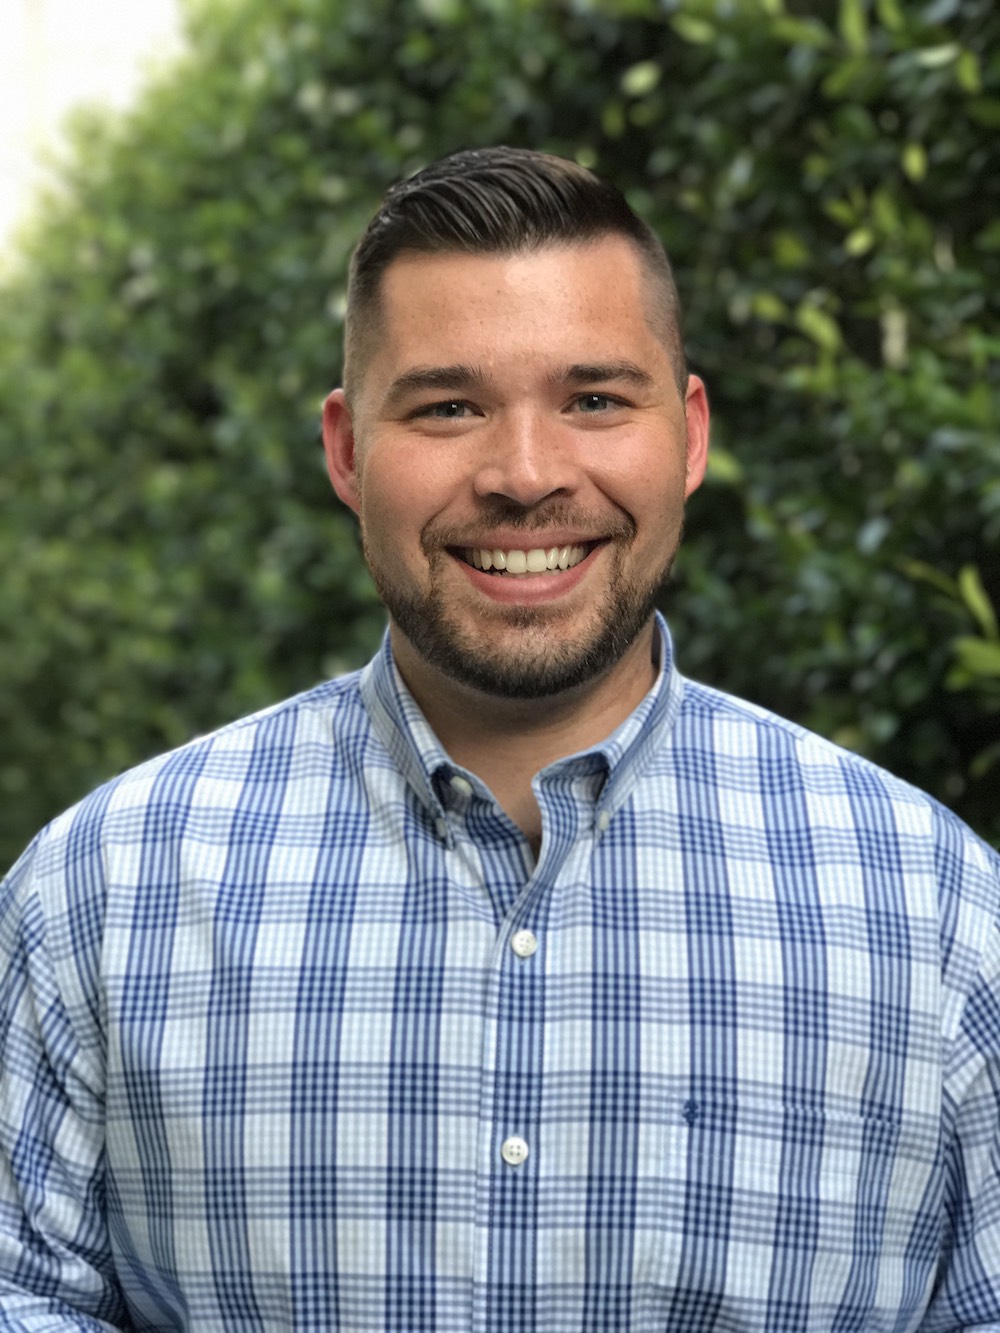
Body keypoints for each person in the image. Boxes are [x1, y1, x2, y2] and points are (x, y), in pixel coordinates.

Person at [1, 146, 998, 1332]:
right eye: (449, 406)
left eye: (592, 400)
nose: (525, 477)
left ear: (686, 436)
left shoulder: (936, 913)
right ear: (347, 450)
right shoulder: (101, 894)